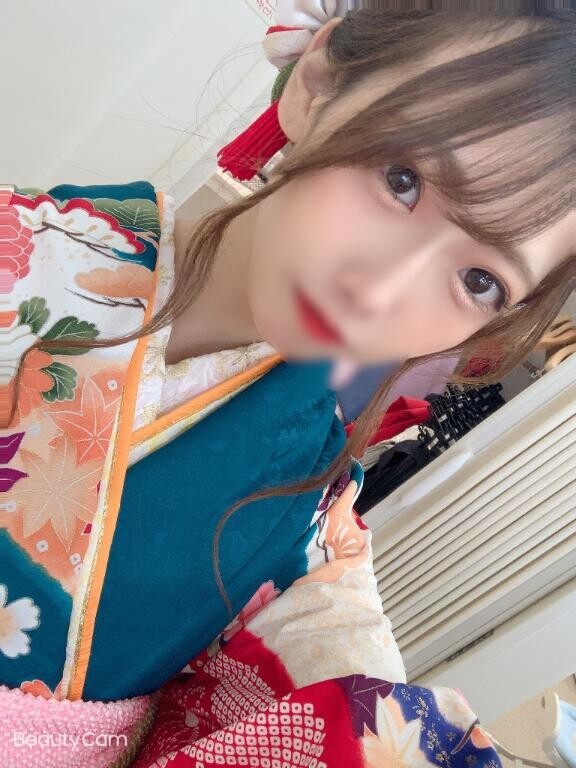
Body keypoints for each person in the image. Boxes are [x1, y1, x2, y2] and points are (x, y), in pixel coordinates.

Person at [0, 1, 573, 765]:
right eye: (402, 180)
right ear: (318, 84)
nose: (381, 292)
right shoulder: (20, 261)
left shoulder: (308, 512)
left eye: (479, 280)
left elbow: (353, 694)